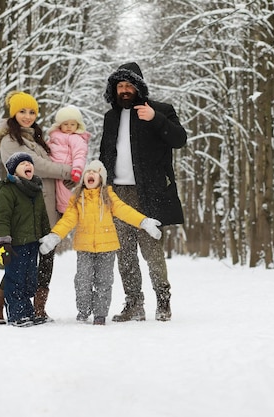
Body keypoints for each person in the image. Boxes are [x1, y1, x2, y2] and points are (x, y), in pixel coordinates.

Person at [99, 62, 187, 322]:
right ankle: (134, 303)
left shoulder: (161, 110)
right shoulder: (110, 117)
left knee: (151, 250)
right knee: (124, 252)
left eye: (129, 85)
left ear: (139, 87)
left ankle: (163, 300)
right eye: (120, 86)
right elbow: (105, 153)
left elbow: (179, 139)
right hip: (117, 193)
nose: (124, 90)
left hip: (149, 193)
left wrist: (156, 119)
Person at [0, 91, 74, 325]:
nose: (27, 116)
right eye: (22, 111)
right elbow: (39, 166)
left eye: (32, 111)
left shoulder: (35, 137)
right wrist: (66, 170)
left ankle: (38, 308)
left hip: (47, 208)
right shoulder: (10, 140)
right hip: (26, 210)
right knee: (21, 262)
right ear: (13, 113)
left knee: (46, 258)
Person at [38, 160, 162, 325]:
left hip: (107, 248)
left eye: (95, 172)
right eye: (88, 171)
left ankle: (100, 315)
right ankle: (83, 311)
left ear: (101, 178)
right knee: (82, 280)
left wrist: (143, 222)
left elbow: (125, 211)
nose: (91, 174)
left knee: (104, 282)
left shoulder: (108, 196)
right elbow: (67, 220)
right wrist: (55, 236)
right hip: (84, 248)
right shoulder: (77, 197)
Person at [0, 152, 51, 327]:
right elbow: (3, 218)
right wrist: (4, 243)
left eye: (29, 162)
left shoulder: (36, 189)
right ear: (13, 171)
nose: (28, 165)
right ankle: (16, 313)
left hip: (33, 242)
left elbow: (42, 216)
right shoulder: (8, 189)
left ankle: (27, 311)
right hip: (16, 244)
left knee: (30, 279)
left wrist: (46, 236)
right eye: (22, 164)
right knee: (15, 279)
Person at [45, 105, 91, 214]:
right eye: (65, 124)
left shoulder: (77, 138)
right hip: (53, 169)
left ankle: (67, 213)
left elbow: (79, 155)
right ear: (60, 125)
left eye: (72, 124)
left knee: (64, 194)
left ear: (77, 125)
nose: (69, 127)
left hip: (67, 171)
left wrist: (77, 169)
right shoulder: (54, 136)